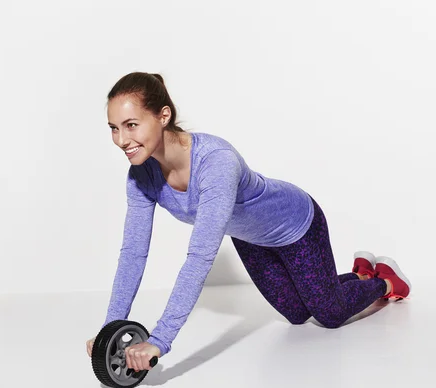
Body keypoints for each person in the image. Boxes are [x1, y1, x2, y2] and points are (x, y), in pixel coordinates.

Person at [85, 72, 412, 372]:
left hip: (296, 226)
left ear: (163, 115)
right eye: (114, 128)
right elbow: (133, 253)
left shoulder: (216, 163)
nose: (121, 139)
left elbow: (199, 257)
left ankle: (384, 280)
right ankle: (356, 274)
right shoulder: (140, 175)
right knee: (298, 314)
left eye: (131, 125)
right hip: (249, 238)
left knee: (329, 315)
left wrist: (160, 339)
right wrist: (109, 332)